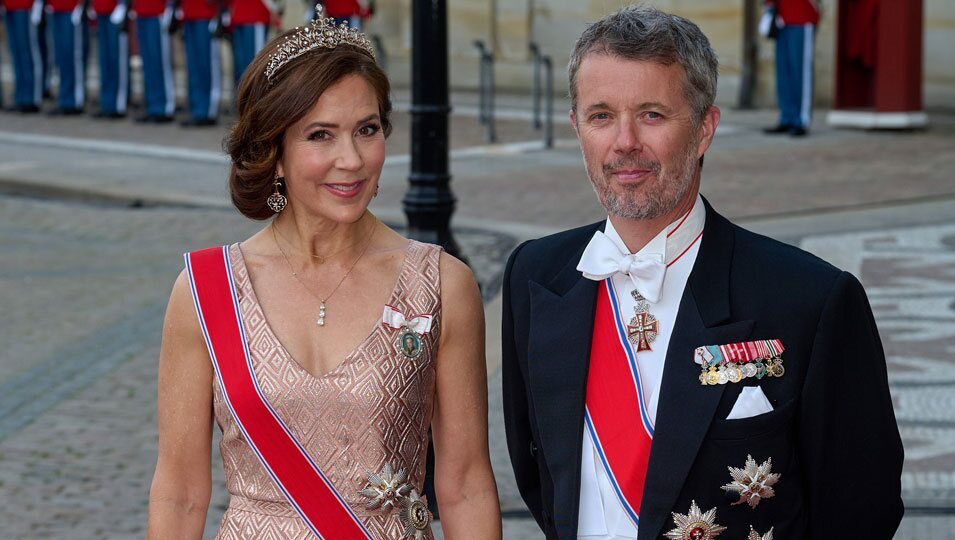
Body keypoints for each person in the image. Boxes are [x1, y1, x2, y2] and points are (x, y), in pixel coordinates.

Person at [501, 5, 903, 540]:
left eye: (651, 115)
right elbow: (541, 479)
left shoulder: (810, 300)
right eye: (601, 115)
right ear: (576, 127)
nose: (624, 143)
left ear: (705, 128)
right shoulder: (537, 276)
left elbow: (861, 508)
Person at [146, 12, 502, 539]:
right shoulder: (205, 290)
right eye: (320, 135)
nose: (351, 159)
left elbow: (467, 483)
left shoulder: (442, 285)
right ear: (275, 152)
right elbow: (180, 490)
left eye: (367, 129)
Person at [763, 0, 820, 137]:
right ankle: (787, 117)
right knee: (784, 73)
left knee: (800, 72)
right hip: (781, 19)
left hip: (801, 18)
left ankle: (801, 119)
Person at [179, 0, 222, 126]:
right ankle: (196, 109)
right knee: (193, 66)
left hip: (207, 11)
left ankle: (208, 110)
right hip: (189, 11)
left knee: (206, 64)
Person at [133, 0, 176, 123]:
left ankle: (164, 107)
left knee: (160, 63)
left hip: (159, 10)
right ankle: (152, 106)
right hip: (141, 10)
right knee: (148, 64)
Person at [90, 0, 129, 118]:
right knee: (105, 60)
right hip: (102, 8)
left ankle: (117, 104)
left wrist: (123, 5)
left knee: (116, 59)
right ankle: (107, 102)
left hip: (116, 8)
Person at [2, 0, 43, 112]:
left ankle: (32, 97)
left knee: (28, 51)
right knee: (16, 52)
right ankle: (20, 96)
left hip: (26, 5)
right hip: (8, 6)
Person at [47, 0, 87, 114]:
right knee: (62, 57)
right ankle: (64, 99)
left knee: (73, 55)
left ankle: (75, 100)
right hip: (56, 6)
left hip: (72, 6)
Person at [229, 0, 277, 89]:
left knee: (254, 67)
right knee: (241, 69)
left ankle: (254, 100)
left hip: (255, 13)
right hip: (237, 13)